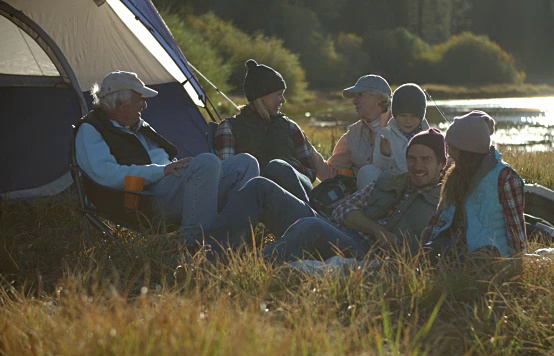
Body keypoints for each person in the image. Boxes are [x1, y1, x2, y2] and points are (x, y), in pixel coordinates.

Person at [75, 71, 259, 245]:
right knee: (207, 162)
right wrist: (161, 171)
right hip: (143, 199)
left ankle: (235, 239)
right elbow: (105, 175)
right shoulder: (91, 130)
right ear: (120, 104)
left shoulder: (137, 126)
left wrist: (175, 169)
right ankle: (194, 245)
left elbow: (163, 161)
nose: (144, 105)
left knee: (245, 163)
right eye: (139, 99)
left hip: (167, 187)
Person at [263, 129, 447, 263]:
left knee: (311, 225)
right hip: (339, 230)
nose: (417, 166)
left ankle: (262, 263)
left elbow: (428, 252)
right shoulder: (392, 180)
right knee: (262, 187)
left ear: (441, 164)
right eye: (412, 159)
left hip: (366, 252)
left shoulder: (443, 201)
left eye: (426, 159)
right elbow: (342, 209)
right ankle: (235, 252)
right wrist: (376, 229)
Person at [421, 110, 527, 265]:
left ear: (469, 152)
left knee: (480, 259)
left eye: (453, 148)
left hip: (491, 256)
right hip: (454, 249)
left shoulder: (506, 178)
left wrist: (517, 266)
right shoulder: (454, 175)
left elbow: (516, 230)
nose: (449, 153)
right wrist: (424, 249)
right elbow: (439, 219)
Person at [214, 59, 316, 202]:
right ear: (262, 96)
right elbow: (227, 175)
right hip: (256, 196)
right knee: (274, 169)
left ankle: (313, 215)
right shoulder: (228, 128)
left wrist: (290, 168)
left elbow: (311, 173)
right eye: (279, 94)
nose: (283, 101)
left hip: (296, 193)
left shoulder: (290, 126)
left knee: (278, 168)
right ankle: (316, 218)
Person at [312, 74, 392, 182]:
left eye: (360, 95)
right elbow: (330, 173)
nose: (354, 101)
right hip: (365, 196)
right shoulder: (353, 134)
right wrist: (306, 148)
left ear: (379, 98)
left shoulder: (402, 126)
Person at [357, 83, 430, 190]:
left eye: (414, 116)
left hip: (421, 183)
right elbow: (379, 167)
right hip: (393, 184)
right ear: (395, 115)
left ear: (421, 116)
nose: (408, 121)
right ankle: (377, 203)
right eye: (403, 116)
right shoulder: (385, 134)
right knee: (366, 172)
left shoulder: (430, 135)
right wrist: (385, 155)